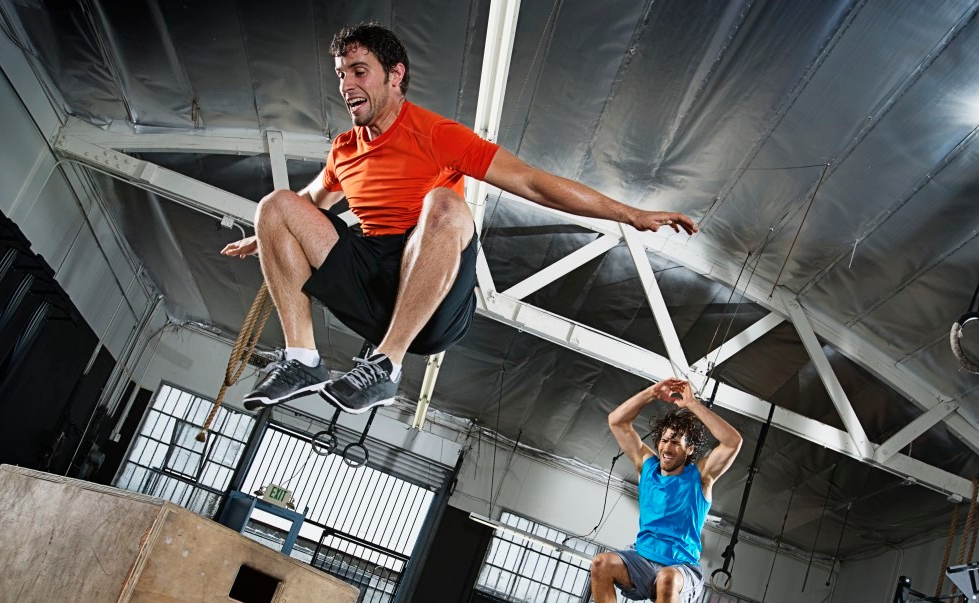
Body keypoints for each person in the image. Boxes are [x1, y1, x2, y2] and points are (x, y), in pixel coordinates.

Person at [221, 22, 698, 414]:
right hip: (371, 286)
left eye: (359, 72)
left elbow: (531, 182)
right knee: (275, 204)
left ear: (395, 75)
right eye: (343, 74)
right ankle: (303, 359)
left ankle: (385, 365)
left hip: (434, 292)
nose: (347, 86)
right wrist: (264, 234)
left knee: (445, 204)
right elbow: (307, 203)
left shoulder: (436, 134)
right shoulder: (345, 149)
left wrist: (628, 214)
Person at [584, 377, 742, 603]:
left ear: (690, 449)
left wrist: (692, 405)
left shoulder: (701, 477)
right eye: (665, 441)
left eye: (676, 442)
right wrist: (652, 393)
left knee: (668, 578)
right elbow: (617, 421)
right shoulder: (648, 467)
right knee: (601, 562)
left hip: (682, 570)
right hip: (641, 562)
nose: (668, 448)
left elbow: (732, 442)